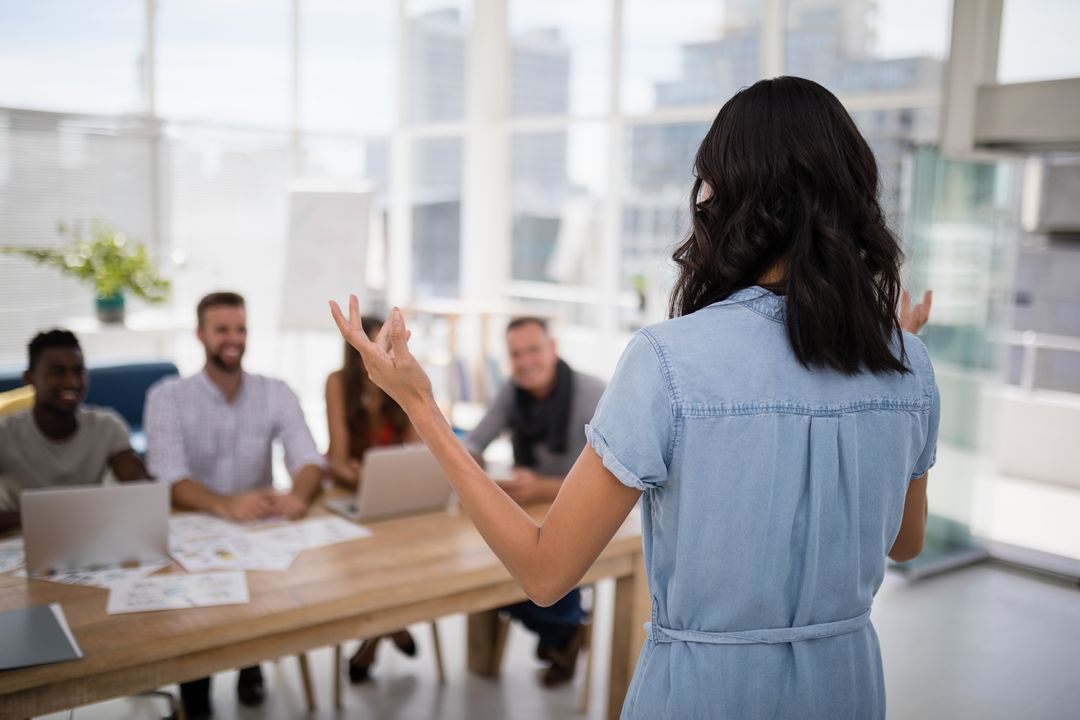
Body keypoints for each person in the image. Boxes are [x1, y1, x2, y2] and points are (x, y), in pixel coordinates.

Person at [331, 75, 938, 719]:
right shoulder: (909, 365)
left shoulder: (669, 360)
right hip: (846, 691)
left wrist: (419, 405)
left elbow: (544, 574)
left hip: (706, 694)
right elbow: (904, 541)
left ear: (725, 196)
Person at [145, 292, 326, 719]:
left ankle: (251, 665)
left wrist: (298, 494)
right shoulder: (168, 396)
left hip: (259, 528)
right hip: (195, 525)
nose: (233, 338)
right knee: (196, 615)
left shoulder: (274, 391)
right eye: (222, 329)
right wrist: (226, 505)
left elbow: (308, 458)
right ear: (200, 335)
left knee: (265, 585)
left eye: (240, 329)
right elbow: (169, 476)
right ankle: (197, 692)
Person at [463, 317, 606, 686]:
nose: (525, 362)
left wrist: (543, 487)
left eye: (533, 350)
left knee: (524, 574)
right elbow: (474, 443)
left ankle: (561, 627)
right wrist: (472, 470)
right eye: (515, 354)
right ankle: (563, 631)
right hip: (530, 511)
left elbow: (616, 478)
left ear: (553, 349)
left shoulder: (592, 394)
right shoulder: (512, 392)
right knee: (482, 575)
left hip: (588, 516)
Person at [325, 318, 423, 683]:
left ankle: (375, 640)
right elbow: (337, 462)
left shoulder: (404, 380)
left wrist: (378, 473)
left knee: (402, 559)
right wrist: (369, 474)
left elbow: (415, 452)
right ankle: (392, 626)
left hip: (394, 494)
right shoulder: (338, 382)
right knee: (370, 562)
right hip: (350, 493)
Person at [0, 329, 148, 532]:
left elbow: (140, 488)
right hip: (21, 540)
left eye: (78, 371)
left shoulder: (106, 425)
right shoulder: (5, 434)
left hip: (87, 537)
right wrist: (50, 517)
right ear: (30, 378)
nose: (72, 382)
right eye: (58, 372)